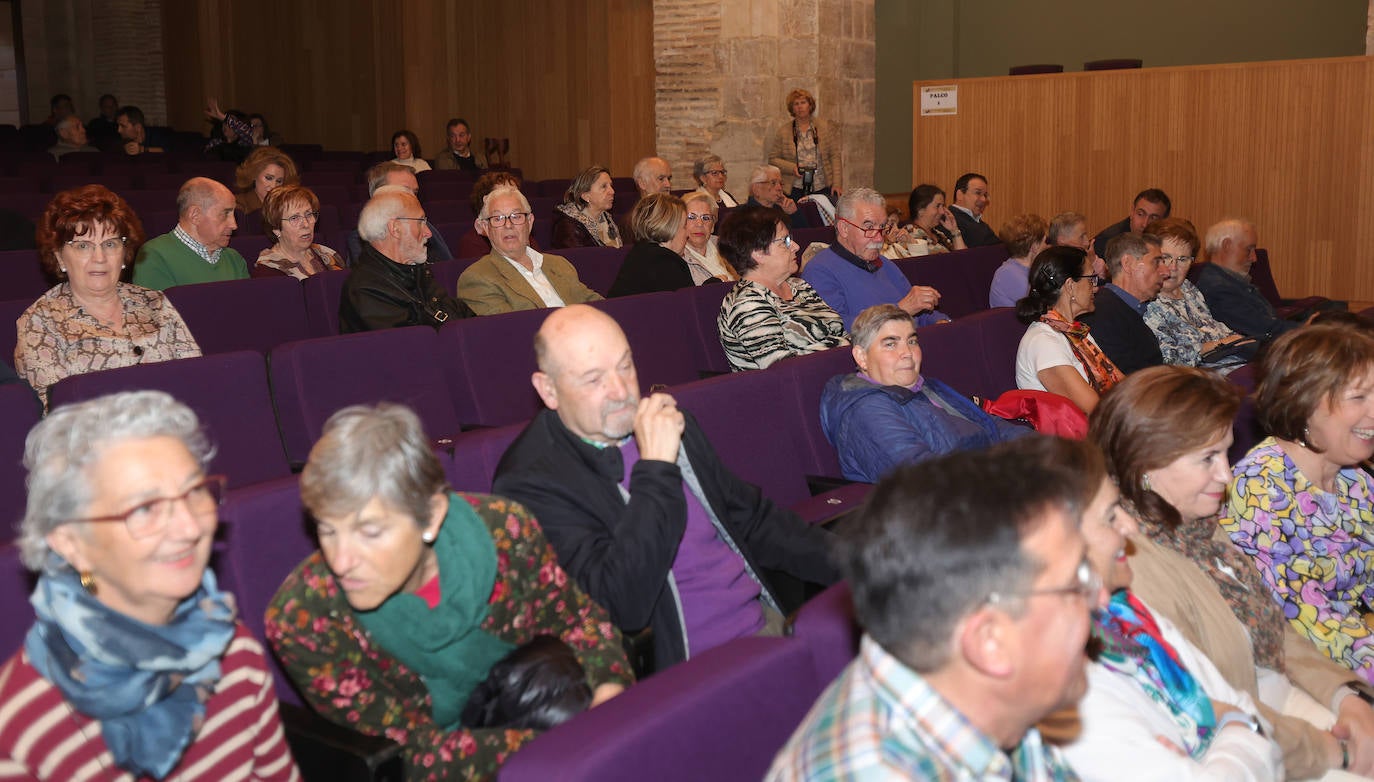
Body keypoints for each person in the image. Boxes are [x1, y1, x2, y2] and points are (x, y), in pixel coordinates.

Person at [266, 403, 631, 781]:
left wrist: (609, 686)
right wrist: (555, 746)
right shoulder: (306, 618)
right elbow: (406, 755)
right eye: (327, 530)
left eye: (370, 532)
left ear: (431, 515)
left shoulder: (505, 532)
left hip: (542, 717)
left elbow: (578, 621)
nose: (340, 561)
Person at [492, 305, 839, 672]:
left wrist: (859, 569)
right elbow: (623, 603)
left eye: (625, 366)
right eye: (593, 379)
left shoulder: (668, 423)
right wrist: (655, 467)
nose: (621, 391)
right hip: (686, 675)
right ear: (549, 390)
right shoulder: (530, 481)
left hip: (766, 629)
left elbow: (754, 520)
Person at [1092, 365, 1374, 780]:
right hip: (1242, 743)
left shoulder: (1195, 522)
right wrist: (1335, 751)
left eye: (1225, 452)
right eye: (1207, 458)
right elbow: (1212, 704)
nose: (1226, 475)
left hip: (1277, 704)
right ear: (1144, 463)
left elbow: (1277, 631)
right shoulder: (1130, 567)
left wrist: (1345, 696)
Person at [0, 391, 299, 781]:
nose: (190, 528)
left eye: (194, 493)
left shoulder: (232, 650)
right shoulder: (22, 722)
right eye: (144, 509)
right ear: (71, 544)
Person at [767, 437, 1103, 781]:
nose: (1101, 599)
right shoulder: (878, 772)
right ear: (990, 641)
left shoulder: (985, 693)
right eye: (1077, 585)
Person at [1055, 440, 1284, 780]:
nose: (1129, 527)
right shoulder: (1069, 685)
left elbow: (1244, 709)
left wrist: (1229, 731)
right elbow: (1246, 725)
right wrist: (1234, 726)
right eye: (1109, 517)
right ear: (1057, 542)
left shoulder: (1127, 612)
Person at [1222, 325, 1374, 686]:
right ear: (1305, 402)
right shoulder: (1261, 488)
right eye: (1359, 398)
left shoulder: (1353, 475)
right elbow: (1300, 620)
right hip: (1299, 672)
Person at [16, 186, 201, 409]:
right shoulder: (40, 322)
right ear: (59, 257)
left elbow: (196, 378)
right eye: (83, 246)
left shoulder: (155, 302)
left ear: (125, 253)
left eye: (111, 244)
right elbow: (59, 418)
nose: (100, 257)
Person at [820, 303, 1027, 483]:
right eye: (890, 344)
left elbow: (990, 425)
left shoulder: (926, 387)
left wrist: (1043, 450)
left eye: (911, 341)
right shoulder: (865, 410)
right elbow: (920, 479)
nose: (907, 353)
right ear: (862, 357)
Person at [715, 206, 846, 372]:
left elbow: (840, 332)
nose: (796, 246)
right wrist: (846, 347)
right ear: (757, 253)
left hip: (834, 379)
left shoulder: (798, 286)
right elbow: (783, 369)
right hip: (790, 394)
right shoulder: (747, 304)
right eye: (785, 241)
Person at [800, 188, 948, 331]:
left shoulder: (884, 264)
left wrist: (940, 322)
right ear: (844, 228)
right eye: (869, 228)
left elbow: (920, 313)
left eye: (882, 227)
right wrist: (900, 310)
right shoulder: (819, 270)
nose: (879, 238)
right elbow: (837, 329)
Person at [340, 187, 472, 332]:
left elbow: (461, 314)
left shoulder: (416, 271)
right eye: (421, 221)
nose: (428, 233)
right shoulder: (365, 289)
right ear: (395, 228)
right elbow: (411, 345)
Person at [457, 185, 603, 315]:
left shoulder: (560, 264)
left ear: (529, 222)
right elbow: (513, 333)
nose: (508, 225)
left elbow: (599, 306)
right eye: (498, 218)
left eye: (516, 216)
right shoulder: (477, 278)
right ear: (486, 228)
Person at [1014, 245, 1121, 413]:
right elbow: (1095, 411)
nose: (1096, 287)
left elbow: (1120, 384)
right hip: (1080, 436)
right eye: (1091, 279)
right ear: (1070, 286)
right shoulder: (1043, 342)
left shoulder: (1074, 332)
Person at [1141, 217, 1255, 369]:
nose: (1173, 267)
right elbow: (1168, 358)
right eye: (1166, 257)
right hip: (1196, 377)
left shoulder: (1188, 288)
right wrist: (1221, 344)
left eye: (1183, 259)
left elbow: (1213, 327)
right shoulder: (1146, 301)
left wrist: (1237, 340)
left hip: (1231, 359)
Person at [1194, 218, 1302, 343]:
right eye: (1248, 249)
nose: (1254, 258)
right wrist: (1308, 330)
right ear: (1227, 245)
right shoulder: (1218, 289)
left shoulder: (1231, 281)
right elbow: (1263, 329)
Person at [133, 178, 248, 290]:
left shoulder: (234, 259)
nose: (234, 225)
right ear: (195, 215)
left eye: (233, 214)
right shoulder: (154, 255)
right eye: (225, 214)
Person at [1078, 232, 1168, 375]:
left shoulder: (1127, 308)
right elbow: (1127, 383)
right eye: (1156, 262)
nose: (1166, 271)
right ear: (1128, 264)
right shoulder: (1101, 314)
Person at [346, 162, 455, 263]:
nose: (413, 199)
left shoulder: (427, 229)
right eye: (404, 191)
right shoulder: (360, 240)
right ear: (378, 196)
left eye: (415, 192)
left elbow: (448, 269)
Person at [607, 192, 694, 297]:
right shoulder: (666, 261)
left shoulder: (639, 253)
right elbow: (692, 306)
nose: (688, 234)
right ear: (670, 228)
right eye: (684, 226)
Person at [254, 185, 345, 279]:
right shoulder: (267, 272)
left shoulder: (328, 255)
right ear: (276, 229)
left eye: (309, 214)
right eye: (294, 218)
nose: (306, 224)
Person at [766, 88, 842, 202]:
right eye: (796, 104)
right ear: (792, 108)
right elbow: (773, 159)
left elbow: (835, 156)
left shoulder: (824, 127)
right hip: (795, 187)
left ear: (810, 105)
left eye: (803, 103)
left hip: (822, 184)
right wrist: (792, 168)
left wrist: (837, 183)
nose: (800, 107)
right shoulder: (784, 131)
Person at [551, 165, 622, 249]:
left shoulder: (606, 219)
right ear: (586, 196)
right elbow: (581, 260)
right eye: (604, 186)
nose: (612, 191)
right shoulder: (568, 227)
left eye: (611, 186)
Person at [456, 170, 523, 257]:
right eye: (503, 195)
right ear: (486, 201)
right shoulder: (471, 243)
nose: (511, 199)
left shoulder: (523, 235)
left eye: (515, 195)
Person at [1092, 187, 1171, 259]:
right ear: (1132, 212)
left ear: (1164, 221)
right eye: (1140, 214)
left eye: (1153, 218)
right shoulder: (1107, 242)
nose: (1145, 224)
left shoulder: (1168, 242)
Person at [990, 213, 1048, 307]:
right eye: (1045, 241)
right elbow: (1042, 307)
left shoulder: (1032, 268)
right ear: (1034, 246)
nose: (1047, 246)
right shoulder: (1008, 273)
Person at [682, 191, 736, 283]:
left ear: (713, 226)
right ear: (680, 221)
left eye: (706, 218)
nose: (699, 224)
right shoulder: (677, 256)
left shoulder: (728, 246)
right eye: (692, 217)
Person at [233, 146, 299, 215]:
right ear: (254, 175)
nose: (274, 186)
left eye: (279, 181)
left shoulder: (286, 205)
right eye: (269, 178)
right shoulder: (238, 204)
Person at [904, 183, 967, 254]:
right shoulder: (910, 233)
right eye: (937, 206)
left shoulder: (938, 234)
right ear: (920, 210)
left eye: (943, 206)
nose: (942, 212)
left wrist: (954, 230)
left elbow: (963, 256)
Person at [746, 164, 807, 229]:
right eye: (773, 183)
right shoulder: (744, 216)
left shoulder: (783, 208)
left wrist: (794, 213)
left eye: (781, 183)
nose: (779, 188)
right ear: (756, 189)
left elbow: (805, 235)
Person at [1050, 210, 1107, 279]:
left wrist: (1094, 261)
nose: (1087, 242)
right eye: (1081, 237)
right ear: (1062, 240)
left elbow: (1106, 280)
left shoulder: (1085, 258)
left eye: (1086, 235)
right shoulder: (1053, 270)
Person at [949, 172, 1000, 247]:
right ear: (960, 195)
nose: (983, 199)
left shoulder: (977, 222)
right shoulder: (949, 220)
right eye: (978, 193)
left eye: (985, 195)